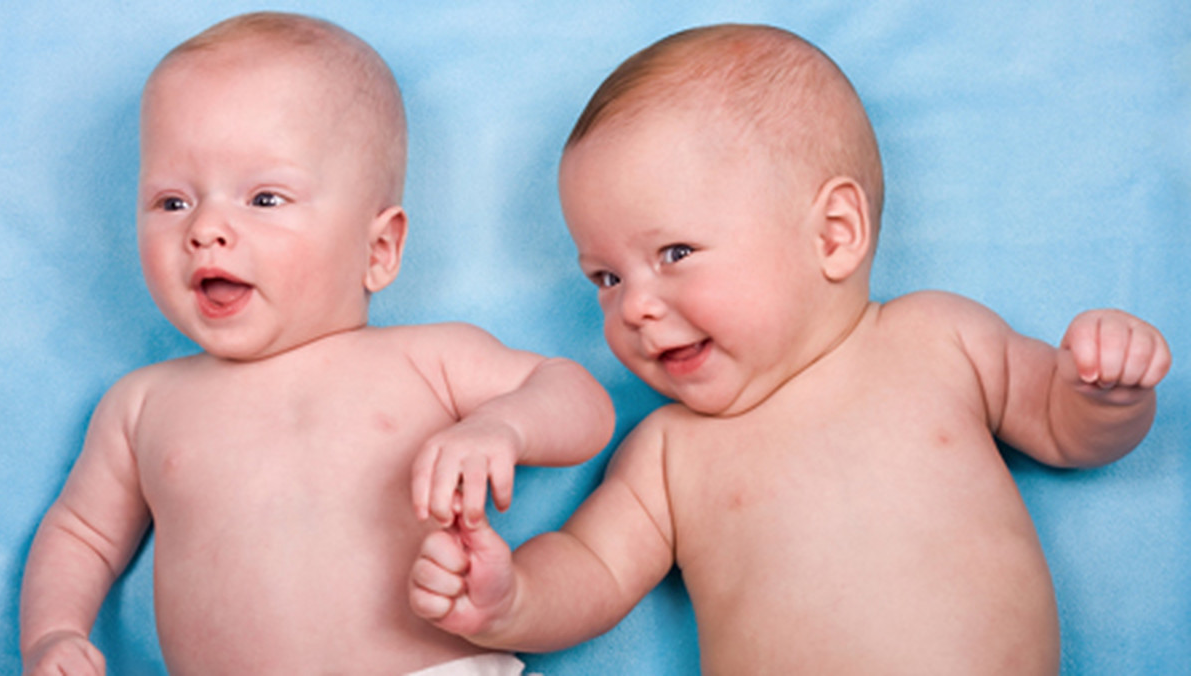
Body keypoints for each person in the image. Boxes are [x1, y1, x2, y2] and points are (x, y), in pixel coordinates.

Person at [408, 23, 1172, 674]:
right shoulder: (671, 454)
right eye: (605, 277)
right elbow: (595, 570)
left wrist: (1103, 391)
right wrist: (510, 602)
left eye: (675, 252)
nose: (635, 306)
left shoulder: (938, 339)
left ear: (833, 235)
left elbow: (1068, 431)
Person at [19, 12, 613, 676]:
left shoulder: (426, 359)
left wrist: (505, 425)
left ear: (378, 248)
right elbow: (81, 535)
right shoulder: (141, 406)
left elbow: (581, 400)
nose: (207, 228)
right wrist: (53, 635)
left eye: (265, 199)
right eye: (172, 203)